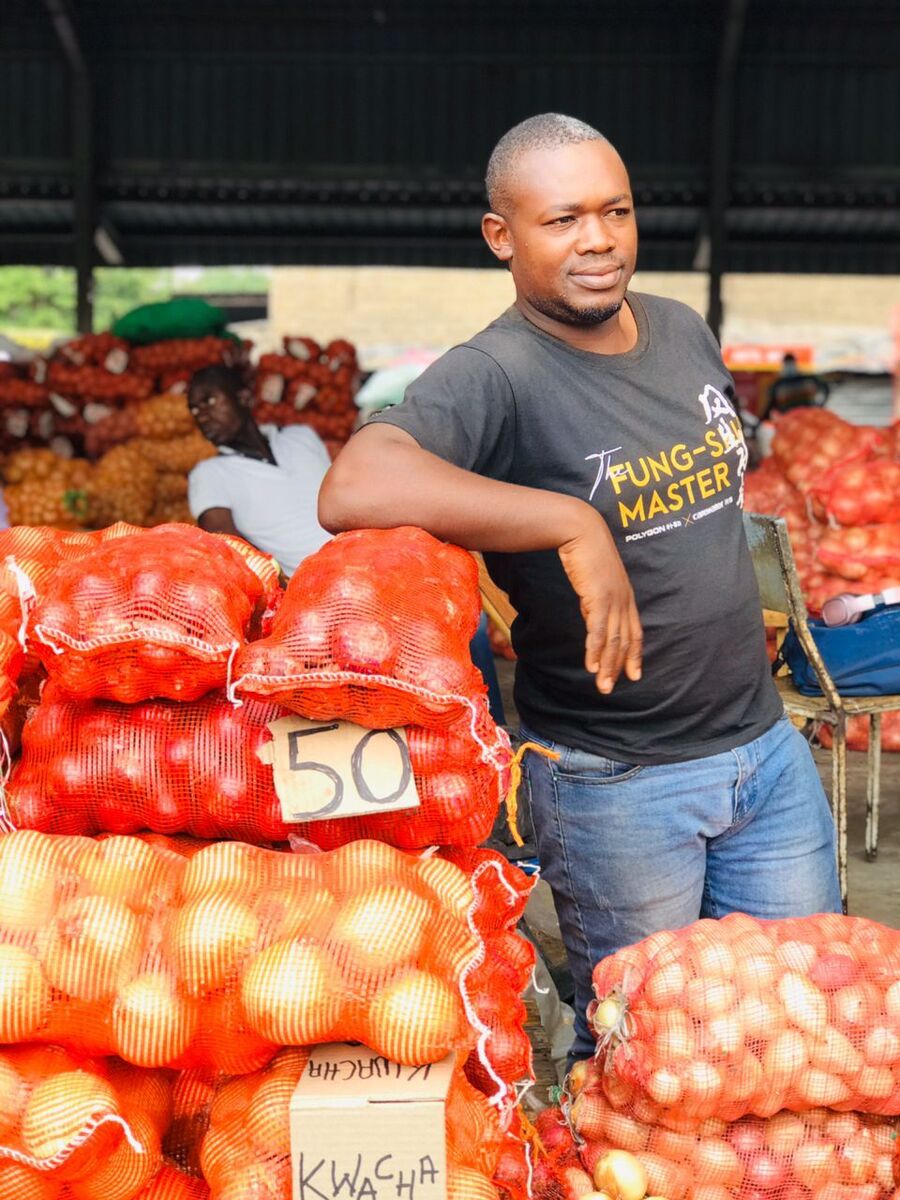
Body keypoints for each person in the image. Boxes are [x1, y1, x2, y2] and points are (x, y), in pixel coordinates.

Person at [319, 113, 842, 1063]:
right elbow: (354, 485)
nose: (598, 240)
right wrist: (572, 520)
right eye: (562, 220)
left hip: (764, 753)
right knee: (652, 1059)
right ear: (502, 237)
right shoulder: (496, 373)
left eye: (617, 211)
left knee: (791, 1032)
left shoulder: (683, 330)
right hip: (619, 781)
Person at [186, 364, 332, 578]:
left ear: (244, 398)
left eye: (209, 401)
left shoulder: (301, 437)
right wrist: (285, 590)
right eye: (194, 409)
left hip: (362, 561)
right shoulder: (209, 474)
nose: (202, 416)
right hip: (307, 590)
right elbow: (227, 550)